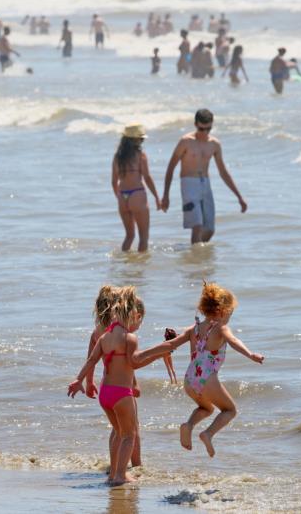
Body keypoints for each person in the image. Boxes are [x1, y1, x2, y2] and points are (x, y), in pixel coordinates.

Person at [68, 287, 180, 486]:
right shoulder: (130, 338)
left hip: (105, 393)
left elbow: (91, 360)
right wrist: (160, 350)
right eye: (139, 321)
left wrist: (79, 381)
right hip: (121, 393)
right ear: (135, 315)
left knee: (118, 432)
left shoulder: (103, 337)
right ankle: (121, 475)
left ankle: (113, 473)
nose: (138, 326)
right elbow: (134, 362)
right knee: (129, 434)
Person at [165, 282, 264, 457]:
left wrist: (166, 343)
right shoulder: (221, 327)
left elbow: (175, 342)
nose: (230, 317)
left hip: (189, 379)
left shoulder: (194, 328)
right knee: (230, 410)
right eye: (231, 313)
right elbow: (233, 341)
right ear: (222, 311)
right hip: (207, 378)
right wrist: (250, 355)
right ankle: (208, 434)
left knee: (207, 409)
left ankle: (188, 425)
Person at [161, 109, 247, 244]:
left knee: (210, 229)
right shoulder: (186, 141)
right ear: (195, 124)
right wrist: (165, 195)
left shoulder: (214, 144)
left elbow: (223, 172)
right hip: (188, 184)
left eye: (209, 129)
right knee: (197, 226)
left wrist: (239, 197)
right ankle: (196, 262)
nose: (205, 133)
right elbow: (170, 167)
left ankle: (196, 256)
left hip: (205, 184)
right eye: (202, 129)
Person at [82, 286, 144, 470]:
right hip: (123, 386)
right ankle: (136, 465)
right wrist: (135, 383)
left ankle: (115, 465)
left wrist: (89, 382)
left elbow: (91, 359)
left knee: (117, 430)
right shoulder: (120, 333)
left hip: (107, 385)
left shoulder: (100, 332)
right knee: (132, 428)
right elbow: (129, 363)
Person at [112, 124, 161, 252]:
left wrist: (119, 197)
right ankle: (140, 268)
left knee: (129, 236)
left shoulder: (117, 157)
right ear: (134, 140)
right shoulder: (140, 155)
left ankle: (124, 264)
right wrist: (157, 197)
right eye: (141, 139)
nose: (142, 141)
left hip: (123, 196)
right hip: (137, 194)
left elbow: (113, 181)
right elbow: (147, 177)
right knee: (143, 237)